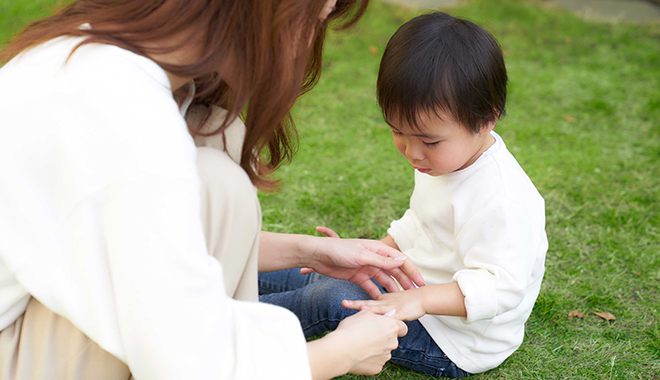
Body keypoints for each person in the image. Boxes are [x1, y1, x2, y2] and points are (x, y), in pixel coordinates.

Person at [0, 0, 427, 379]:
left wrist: (310, 252)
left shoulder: (108, 59)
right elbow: (191, 365)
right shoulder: (126, 117)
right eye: (317, 12)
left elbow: (150, 243)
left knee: (217, 154)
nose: (315, 31)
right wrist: (342, 351)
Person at [258, 11, 549, 378]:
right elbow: (420, 222)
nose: (412, 153)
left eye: (429, 140)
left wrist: (419, 299)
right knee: (330, 275)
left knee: (333, 298)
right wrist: (372, 254)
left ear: (486, 119)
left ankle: (237, 329)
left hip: (453, 340)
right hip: (411, 291)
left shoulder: (503, 200)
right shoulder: (444, 162)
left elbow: (501, 288)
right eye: (398, 132)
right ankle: (221, 292)